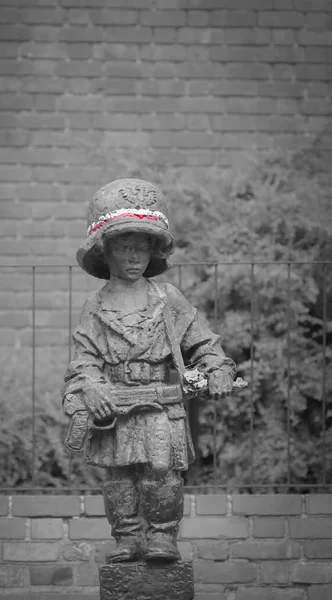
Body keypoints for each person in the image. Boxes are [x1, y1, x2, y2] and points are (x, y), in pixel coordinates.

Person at [62, 179, 236, 563]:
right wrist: (90, 387)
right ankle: (127, 537)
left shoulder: (168, 298)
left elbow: (204, 343)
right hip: (115, 407)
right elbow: (82, 362)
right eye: (124, 246)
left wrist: (217, 369)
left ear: (153, 251)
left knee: (162, 472)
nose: (134, 256)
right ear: (105, 252)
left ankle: (161, 537)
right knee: (119, 477)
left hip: (161, 404)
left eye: (141, 246)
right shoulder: (95, 306)